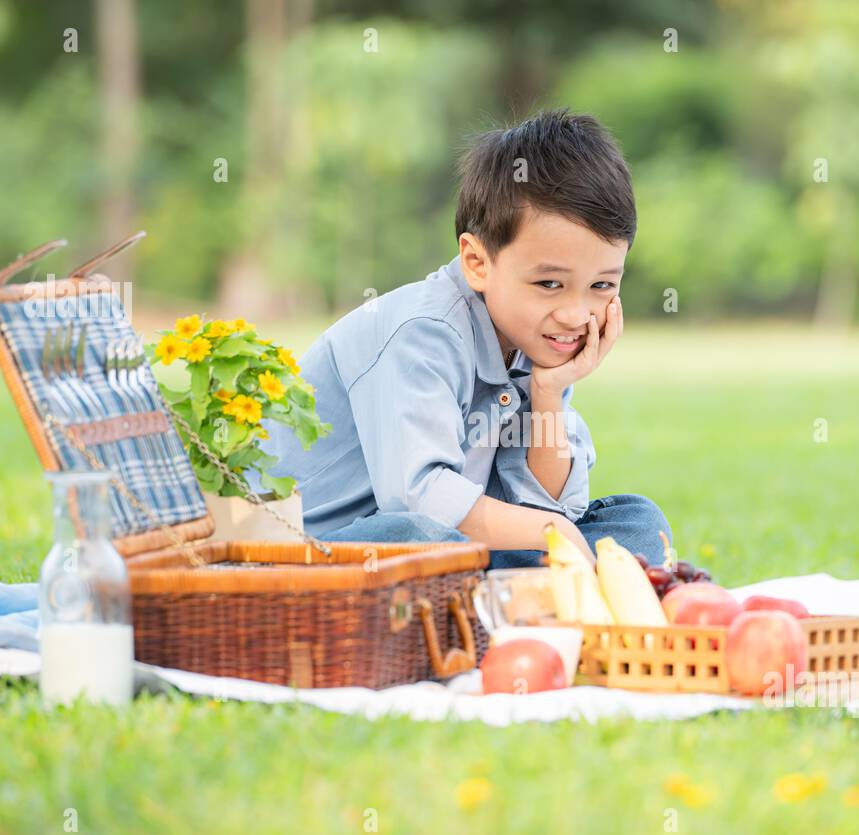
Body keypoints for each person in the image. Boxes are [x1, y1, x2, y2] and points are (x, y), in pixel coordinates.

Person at [251, 109, 672, 570]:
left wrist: (549, 391)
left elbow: (549, 509)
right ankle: (519, 596)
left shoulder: (537, 338)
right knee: (415, 534)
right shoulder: (424, 332)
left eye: (602, 286)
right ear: (477, 261)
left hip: (451, 547)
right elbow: (422, 499)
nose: (575, 314)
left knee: (635, 523)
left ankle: (504, 598)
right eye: (550, 284)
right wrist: (553, 536)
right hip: (317, 551)